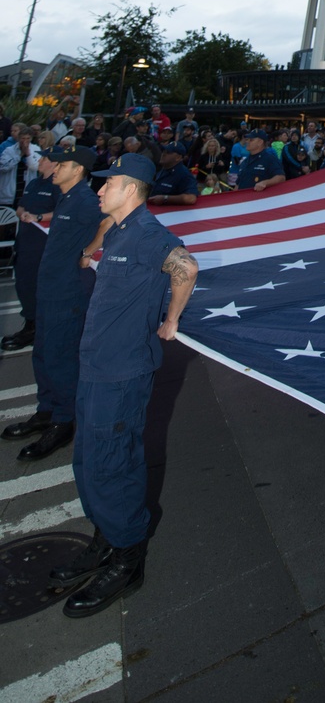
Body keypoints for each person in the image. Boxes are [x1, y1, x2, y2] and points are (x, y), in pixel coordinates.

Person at [47, 153, 198, 616]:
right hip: (95, 367)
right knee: (89, 460)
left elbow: (187, 268)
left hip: (122, 373)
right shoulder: (116, 230)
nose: (98, 190)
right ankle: (105, 539)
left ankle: (128, 557)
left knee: (115, 462)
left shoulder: (151, 235)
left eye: (106, 183)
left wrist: (171, 319)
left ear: (130, 189)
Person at [1, 146, 109, 460]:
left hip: (68, 293)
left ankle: (63, 422)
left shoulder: (87, 201)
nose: (53, 166)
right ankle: (46, 410)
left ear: (77, 169)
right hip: (49, 291)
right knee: (43, 355)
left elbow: (111, 222)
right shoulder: (65, 196)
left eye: (61, 163)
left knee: (61, 358)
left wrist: (88, 252)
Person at [2, 146, 58, 352]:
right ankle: (30, 325)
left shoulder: (58, 186)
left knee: (35, 287)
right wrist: (23, 212)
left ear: (54, 163)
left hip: (41, 246)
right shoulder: (34, 183)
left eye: (44, 158)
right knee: (23, 285)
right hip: (24, 243)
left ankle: (35, 329)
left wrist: (39, 217)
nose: (40, 161)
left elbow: (62, 211)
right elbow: (20, 207)